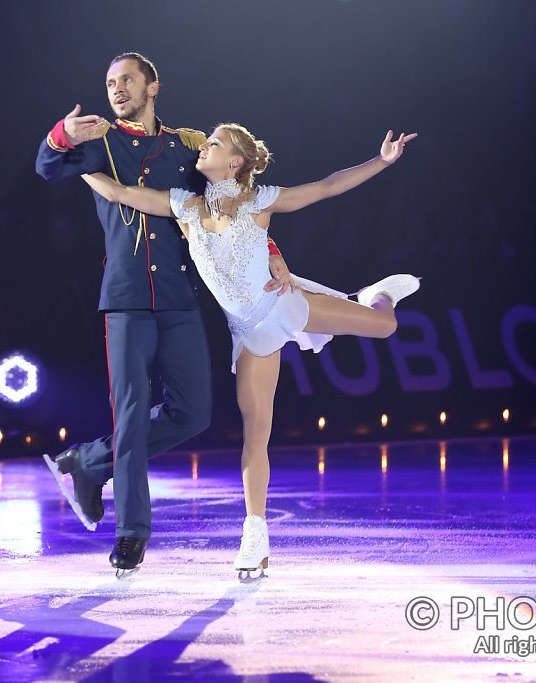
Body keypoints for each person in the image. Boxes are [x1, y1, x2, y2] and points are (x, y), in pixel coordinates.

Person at [81, 123, 419, 575]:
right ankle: (255, 536)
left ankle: (375, 295)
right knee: (255, 433)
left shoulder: (258, 202)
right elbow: (122, 194)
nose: (206, 146)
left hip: (282, 305)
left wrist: (383, 160)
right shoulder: (185, 205)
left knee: (385, 326)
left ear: (236, 162)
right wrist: (74, 161)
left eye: (215, 143)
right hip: (247, 331)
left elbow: (326, 188)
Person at [35, 53, 295, 574]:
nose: (116, 89)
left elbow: (230, 206)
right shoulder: (101, 142)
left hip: (177, 297)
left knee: (194, 413)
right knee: (130, 417)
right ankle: (131, 533)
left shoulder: (188, 148)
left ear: (153, 86)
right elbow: (47, 166)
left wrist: (271, 253)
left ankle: (87, 461)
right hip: (127, 296)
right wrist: (62, 133)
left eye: (126, 80)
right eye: (110, 83)